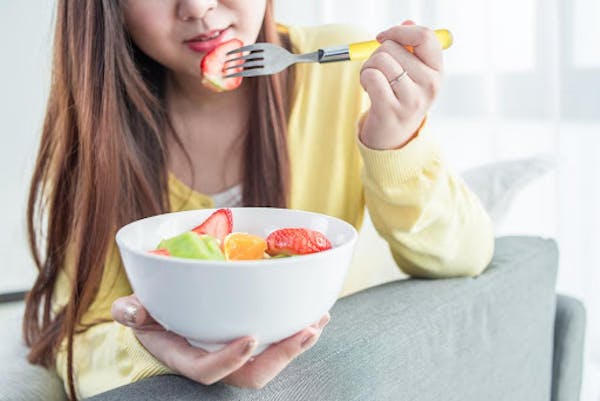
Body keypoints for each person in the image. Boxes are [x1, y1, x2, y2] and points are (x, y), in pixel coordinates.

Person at [22, 0, 495, 399]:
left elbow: (465, 256)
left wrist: (395, 146)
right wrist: (151, 349)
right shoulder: (101, 131)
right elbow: (80, 343)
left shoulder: (343, 74)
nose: (197, 7)